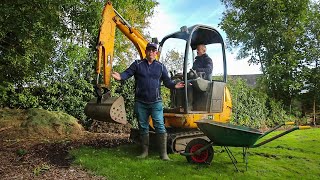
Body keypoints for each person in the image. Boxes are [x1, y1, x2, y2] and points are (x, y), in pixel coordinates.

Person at [112, 42, 185, 160]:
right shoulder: (137, 64)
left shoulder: (161, 67)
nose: (151, 52)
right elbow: (127, 73)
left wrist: (174, 86)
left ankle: (163, 154)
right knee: (143, 126)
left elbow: (167, 82)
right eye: (149, 50)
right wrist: (120, 77)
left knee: (159, 125)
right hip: (141, 102)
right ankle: (144, 152)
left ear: (156, 53)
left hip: (156, 102)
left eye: (153, 50)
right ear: (145, 52)